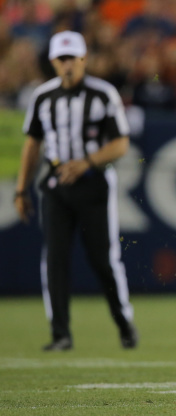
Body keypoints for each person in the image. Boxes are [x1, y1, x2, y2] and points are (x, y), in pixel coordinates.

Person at [14, 30, 137, 351]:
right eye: (61, 58)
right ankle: (60, 334)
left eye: (72, 58)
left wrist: (86, 162)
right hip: (56, 187)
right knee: (54, 258)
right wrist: (20, 189)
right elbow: (32, 144)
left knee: (103, 260)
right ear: (53, 61)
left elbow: (121, 143)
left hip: (93, 185)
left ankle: (123, 323)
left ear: (84, 59)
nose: (67, 64)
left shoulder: (103, 93)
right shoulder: (42, 96)